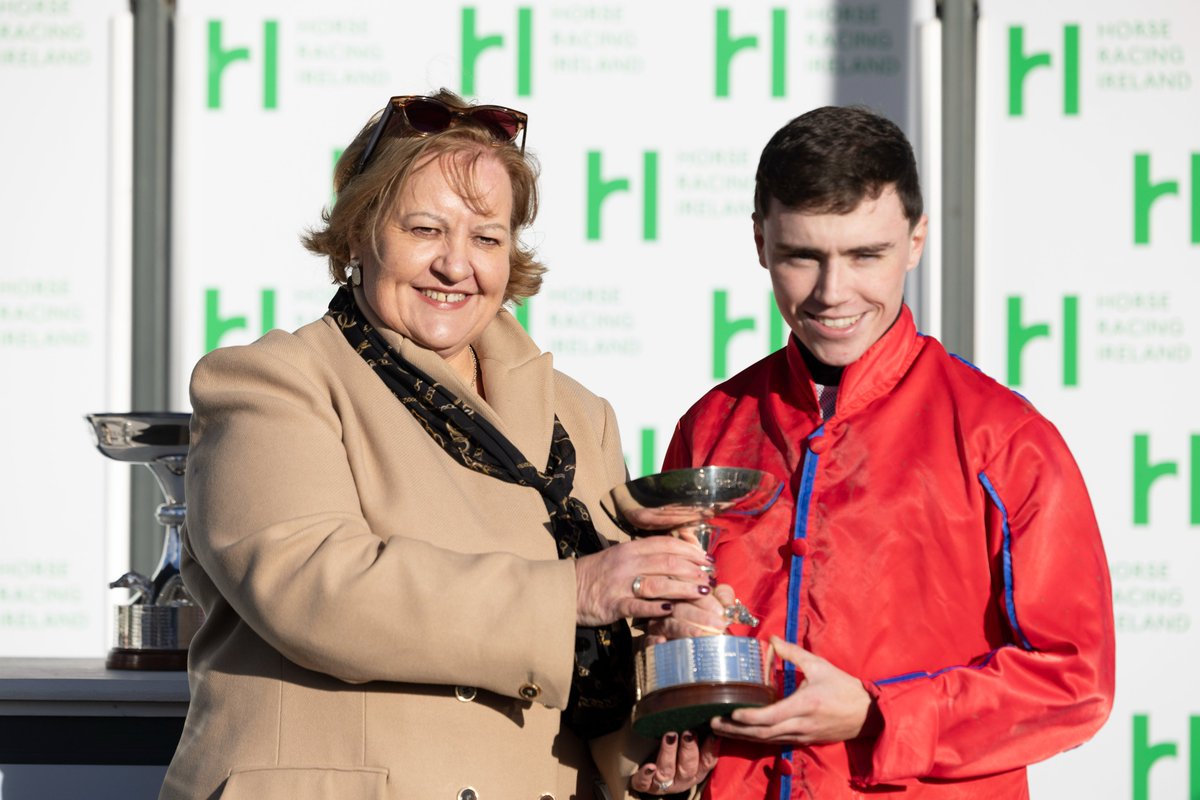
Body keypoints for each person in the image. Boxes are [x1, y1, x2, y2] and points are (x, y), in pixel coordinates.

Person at [159, 90, 719, 800]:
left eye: (486, 237)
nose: (457, 266)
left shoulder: (583, 417)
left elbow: (597, 669)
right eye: (426, 229)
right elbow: (316, 589)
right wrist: (574, 591)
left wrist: (655, 747)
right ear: (360, 233)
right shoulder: (272, 383)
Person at [630, 105, 1116, 798]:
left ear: (916, 240)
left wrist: (878, 714)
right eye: (803, 255)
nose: (833, 293)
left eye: (866, 255)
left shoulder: (1004, 440)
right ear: (760, 242)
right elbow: (656, 639)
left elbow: (1076, 680)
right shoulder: (712, 423)